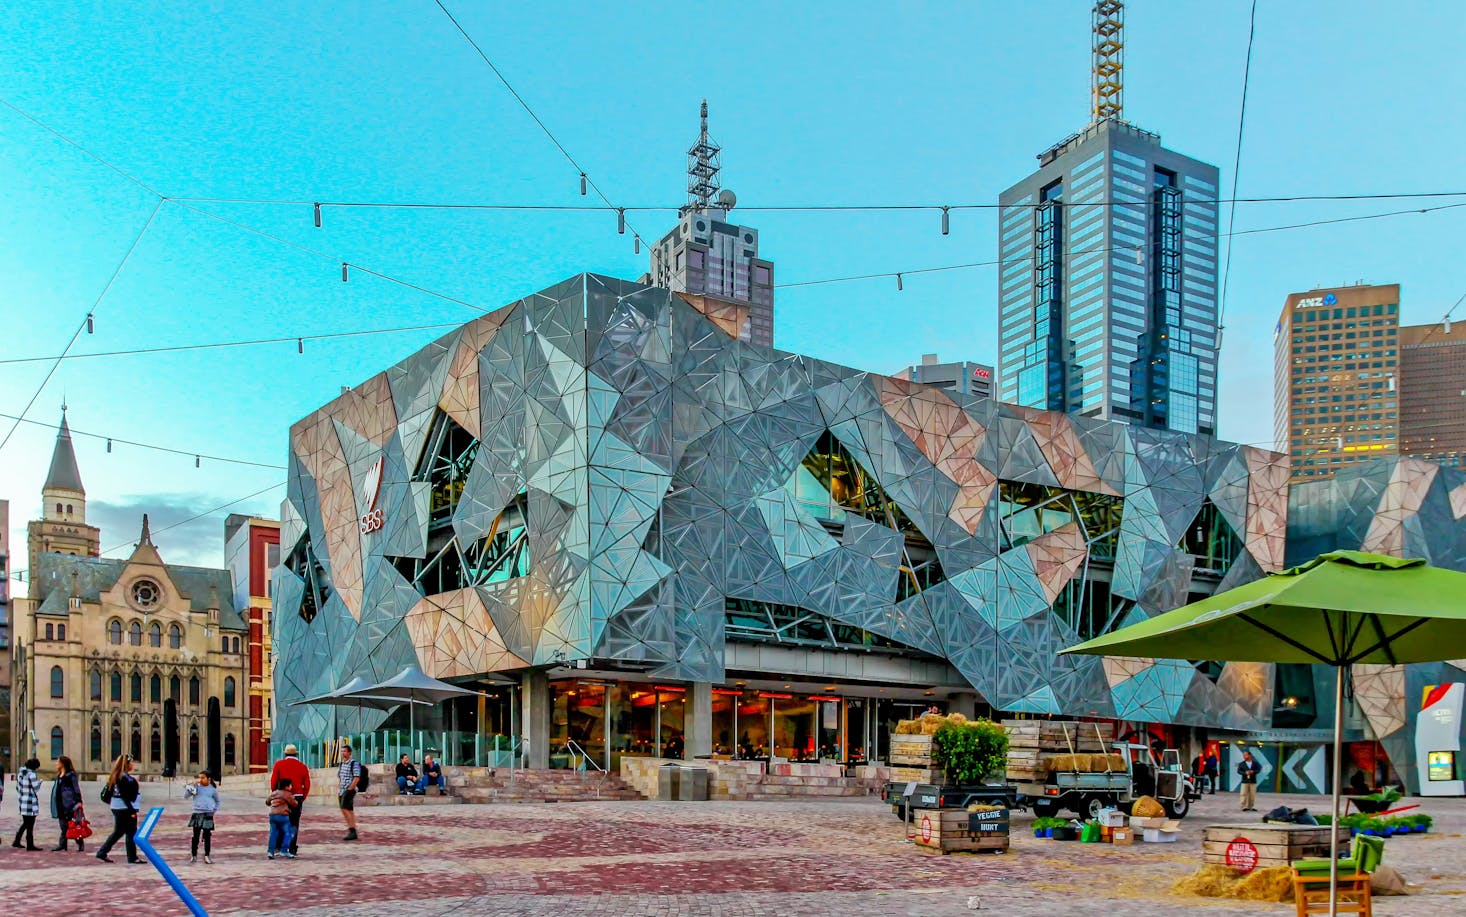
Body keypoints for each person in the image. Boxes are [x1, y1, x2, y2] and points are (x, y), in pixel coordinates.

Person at [96, 754, 143, 863]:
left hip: (116, 806)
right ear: (127, 764)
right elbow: (126, 796)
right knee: (131, 831)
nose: (133, 764)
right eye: (131, 762)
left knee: (119, 831)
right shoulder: (124, 778)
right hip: (125, 808)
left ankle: (103, 852)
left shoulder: (115, 776)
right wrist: (131, 810)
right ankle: (132, 857)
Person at [269, 744, 310, 856]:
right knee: (294, 823)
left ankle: (278, 846)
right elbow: (307, 785)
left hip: (281, 797)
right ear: (296, 754)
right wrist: (302, 797)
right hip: (297, 796)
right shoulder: (302, 766)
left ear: (285, 754)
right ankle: (292, 848)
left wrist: (275, 794)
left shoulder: (279, 764)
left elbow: (273, 781)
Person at [185, 770, 220, 864]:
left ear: (208, 779)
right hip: (197, 813)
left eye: (203, 777)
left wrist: (214, 810)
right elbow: (186, 796)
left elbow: (218, 801)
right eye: (199, 777)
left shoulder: (212, 789)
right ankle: (194, 855)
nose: (200, 779)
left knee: (207, 835)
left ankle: (207, 855)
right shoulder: (196, 787)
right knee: (195, 836)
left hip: (208, 814)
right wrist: (191, 786)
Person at [50, 755, 84, 852]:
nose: (56, 764)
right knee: (63, 825)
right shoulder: (59, 775)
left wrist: (79, 801)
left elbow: (76, 788)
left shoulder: (71, 775)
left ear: (63, 763)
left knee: (72, 825)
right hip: (60, 803)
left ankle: (79, 842)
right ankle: (63, 844)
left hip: (70, 803)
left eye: (58, 762)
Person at [11, 757, 42, 850]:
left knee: (25, 823)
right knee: (30, 825)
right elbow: (36, 788)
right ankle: (30, 845)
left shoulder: (21, 773)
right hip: (30, 802)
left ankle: (17, 841)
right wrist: (40, 782)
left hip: (23, 801)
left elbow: (18, 787)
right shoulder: (31, 774)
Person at [266, 777, 297, 859]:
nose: (291, 787)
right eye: (290, 785)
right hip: (283, 816)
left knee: (273, 834)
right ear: (286, 786)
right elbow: (294, 804)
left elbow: (267, 802)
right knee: (289, 833)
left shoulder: (274, 793)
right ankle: (283, 850)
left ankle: (270, 852)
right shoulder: (287, 794)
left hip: (272, 816)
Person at [337, 744, 361, 841]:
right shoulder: (341, 764)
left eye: (345, 751)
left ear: (349, 753)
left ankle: (352, 830)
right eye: (342, 751)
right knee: (348, 810)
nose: (343, 753)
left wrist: (350, 788)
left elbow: (356, 777)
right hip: (342, 789)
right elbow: (340, 776)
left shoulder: (353, 763)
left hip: (349, 789)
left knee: (344, 808)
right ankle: (352, 829)